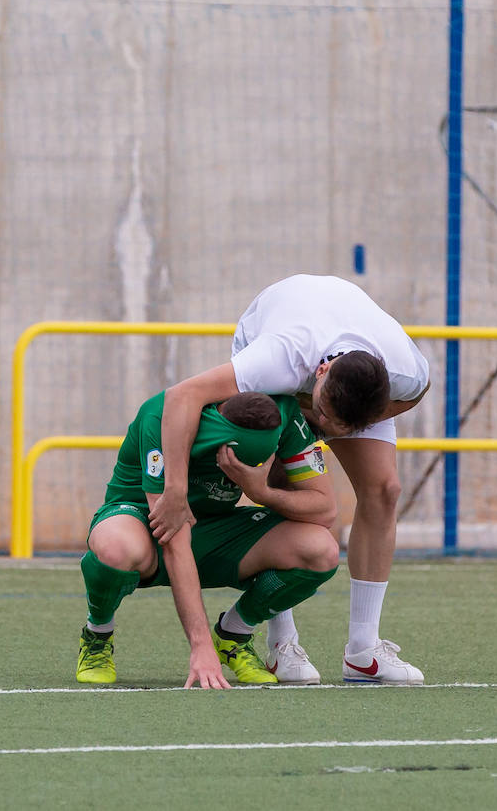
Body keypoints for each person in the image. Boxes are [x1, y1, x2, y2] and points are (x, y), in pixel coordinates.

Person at [147, 275, 431, 685]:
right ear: (320, 372)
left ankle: (364, 652)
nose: (326, 428)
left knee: (385, 489)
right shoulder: (277, 358)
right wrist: (173, 490)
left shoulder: (405, 370)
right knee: (283, 479)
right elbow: (181, 396)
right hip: (276, 324)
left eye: (341, 426)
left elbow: (416, 394)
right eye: (323, 413)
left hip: (350, 368)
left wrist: (334, 427)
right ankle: (282, 644)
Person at [75, 391, 339, 688]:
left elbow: (325, 509)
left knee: (320, 549)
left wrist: (261, 492)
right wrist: (200, 647)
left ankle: (233, 636)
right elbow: (173, 536)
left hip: (217, 528)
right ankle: (97, 634)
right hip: (144, 522)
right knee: (115, 546)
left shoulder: (286, 413)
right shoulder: (161, 417)